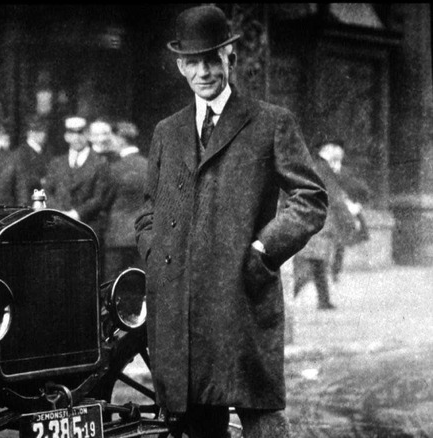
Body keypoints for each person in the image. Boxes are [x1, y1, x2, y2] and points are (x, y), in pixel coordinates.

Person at [133, 5, 328, 437]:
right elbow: (149, 208)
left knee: (260, 415)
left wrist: (263, 251)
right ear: (181, 67)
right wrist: (155, 253)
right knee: (199, 421)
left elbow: (311, 198)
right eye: (193, 63)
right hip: (180, 303)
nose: (204, 71)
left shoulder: (270, 122)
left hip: (239, 297)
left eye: (212, 60)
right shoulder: (168, 131)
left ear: (230, 59)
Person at [293, 141, 354, 309]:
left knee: (318, 261)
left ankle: (324, 300)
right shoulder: (323, 168)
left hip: (312, 218)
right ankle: (286, 299)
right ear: (328, 149)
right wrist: (348, 216)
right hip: (319, 220)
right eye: (337, 150)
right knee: (310, 262)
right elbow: (333, 196)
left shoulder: (317, 165)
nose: (340, 154)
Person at [43, 115, 112, 260]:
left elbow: (99, 198)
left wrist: (75, 214)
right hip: (59, 229)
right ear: (66, 136)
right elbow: (47, 192)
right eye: (72, 133)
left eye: (81, 133)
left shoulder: (100, 163)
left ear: (87, 135)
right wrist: (60, 214)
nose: (77, 138)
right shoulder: (57, 163)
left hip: (87, 229)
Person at [317, 140, 371, 283]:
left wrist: (353, 201)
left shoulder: (344, 171)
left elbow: (355, 186)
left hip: (342, 207)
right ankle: (323, 270)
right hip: (330, 207)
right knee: (329, 241)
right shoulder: (323, 168)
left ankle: (335, 270)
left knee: (339, 242)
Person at [103, 120, 147, 280]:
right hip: (141, 235)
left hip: (116, 238)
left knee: (112, 285)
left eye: (112, 138)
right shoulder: (148, 165)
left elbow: (104, 201)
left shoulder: (114, 168)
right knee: (136, 284)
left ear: (121, 140)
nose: (110, 142)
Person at [14, 114, 51, 201]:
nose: (44, 134)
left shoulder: (46, 152)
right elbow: (22, 179)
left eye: (44, 131)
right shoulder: (21, 153)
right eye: (40, 131)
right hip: (28, 199)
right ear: (30, 133)